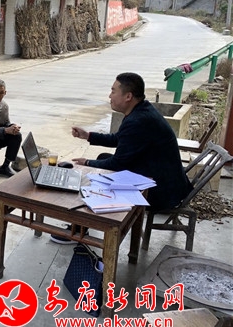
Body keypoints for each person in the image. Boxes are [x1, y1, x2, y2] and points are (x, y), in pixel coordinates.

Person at [59, 72, 192, 244]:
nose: (110, 96)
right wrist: (88, 135)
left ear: (128, 96)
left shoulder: (138, 120)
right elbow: (119, 139)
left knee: (92, 176)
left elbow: (118, 163)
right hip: (160, 177)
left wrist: (87, 163)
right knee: (102, 161)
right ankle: (86, 222)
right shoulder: (141, 110)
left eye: (113, 91)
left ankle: (81, 229)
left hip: (159, 191)